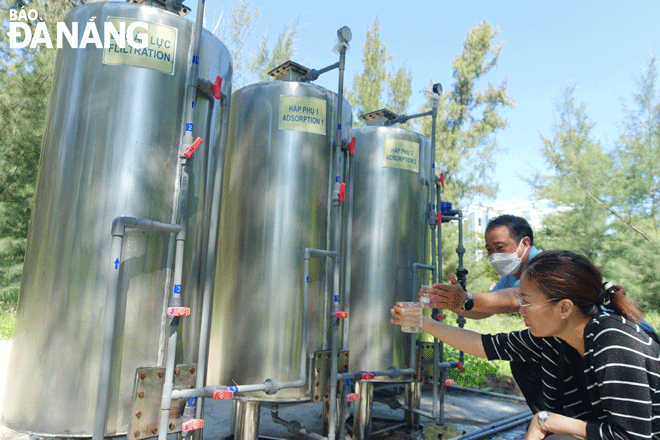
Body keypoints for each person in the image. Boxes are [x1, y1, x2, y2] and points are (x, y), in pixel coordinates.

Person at [393, 250, 660, 440]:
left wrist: (547, 421)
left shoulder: (612, 342)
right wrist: (423, 323)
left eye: (527, 302)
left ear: (564, 307)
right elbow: (485, 345)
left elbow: (632, 436)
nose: (521, 310)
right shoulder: (556, 337)